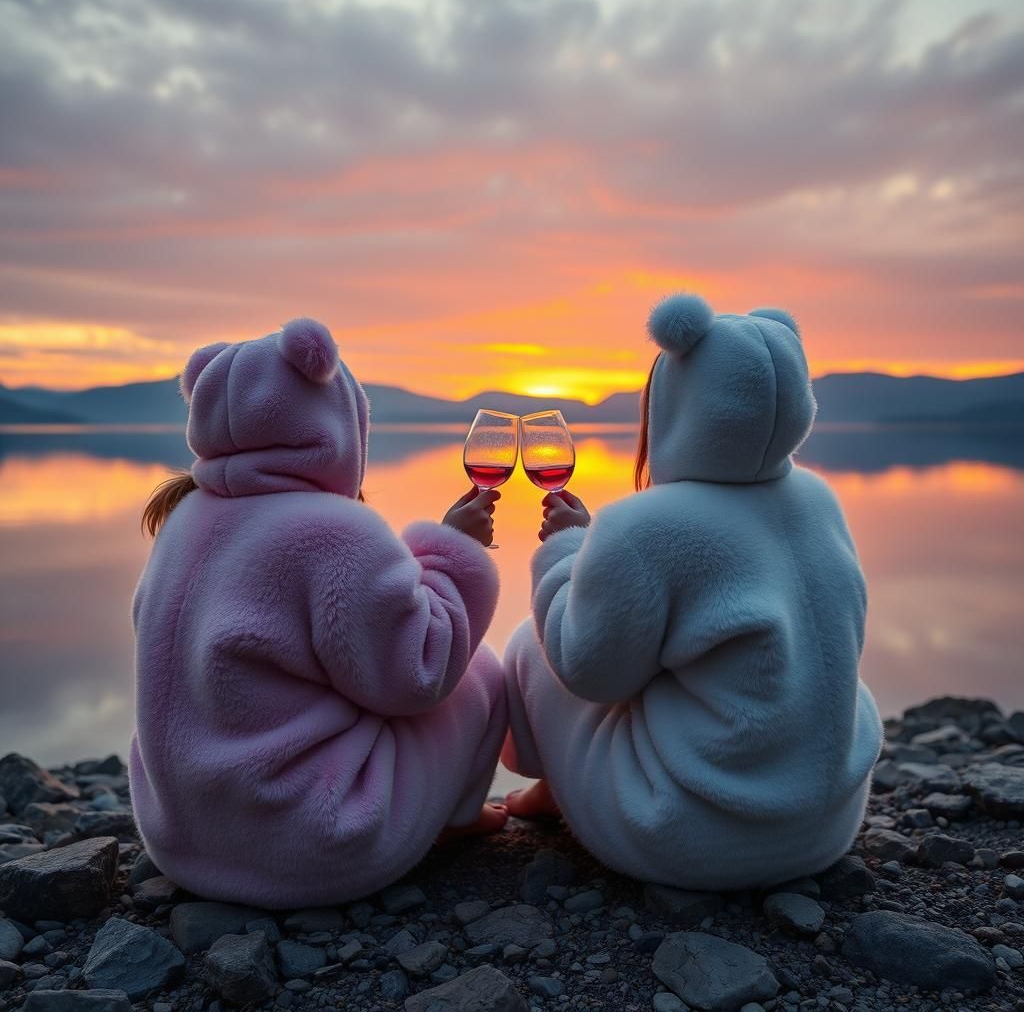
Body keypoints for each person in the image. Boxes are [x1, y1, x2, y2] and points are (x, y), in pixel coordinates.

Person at [501, 294, 883, 890]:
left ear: (676, 400)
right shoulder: (818, 500)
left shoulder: (646, 527)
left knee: (536, 639)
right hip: (823, 830)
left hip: (694, 839)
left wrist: (567, 553)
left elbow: (588, 673)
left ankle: (553, 789)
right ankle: (563, 788)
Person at [130, 318, 508, 908]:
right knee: (475, 666)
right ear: (338, 419)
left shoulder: (184, 522)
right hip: (309, 847)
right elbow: (416, 676)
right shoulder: (332, 531)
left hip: (182, 841)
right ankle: (456, 817)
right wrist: (452, 553)